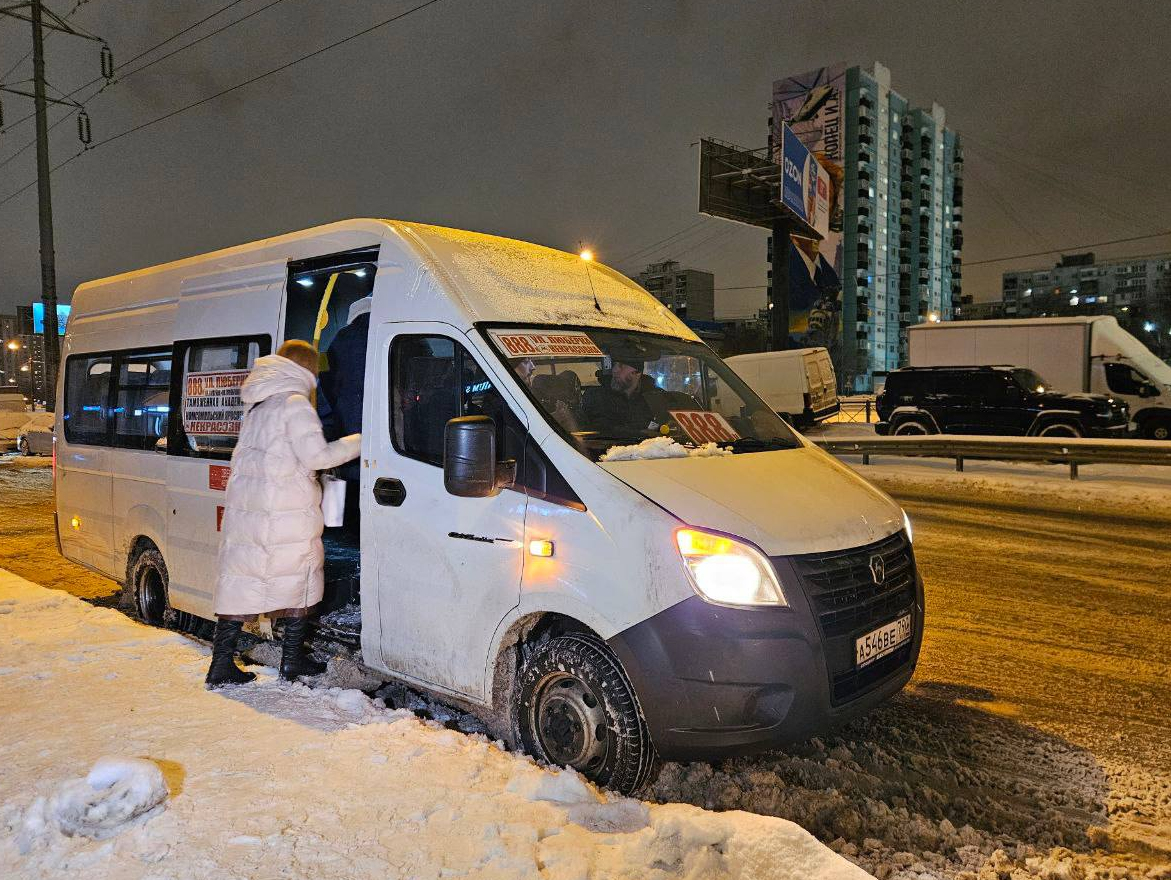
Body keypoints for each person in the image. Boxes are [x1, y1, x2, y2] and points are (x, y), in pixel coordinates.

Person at [205, 340, 361, 688]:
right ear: (306, 371)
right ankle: (292, 661)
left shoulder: (260, 406)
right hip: (285, 513)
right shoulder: (294, 404)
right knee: (300, 582)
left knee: (241, 585)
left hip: (254, 514)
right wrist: (359, 442)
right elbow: (317, 457)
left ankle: (220, 665)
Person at [582, 358, 663, 436]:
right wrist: (638, 432)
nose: (615, 370)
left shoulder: (656, 398)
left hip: (654, 448)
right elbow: (597, 428)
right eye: (614, 365)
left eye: (621, 366)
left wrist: (657, 429)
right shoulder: (595, 396)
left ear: (636, 371)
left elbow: (663, 426)